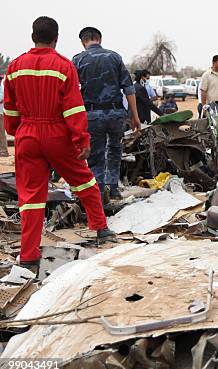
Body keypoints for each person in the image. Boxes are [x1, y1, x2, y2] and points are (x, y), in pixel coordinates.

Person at [3, 16, 116, 274]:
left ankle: (28, 256)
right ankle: (101, 228)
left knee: (31, 197)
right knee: (83, 180)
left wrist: (16, 131)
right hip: (56, 134)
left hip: (27, 134)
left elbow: (8, 108)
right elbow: (74, 108)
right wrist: (81, 139)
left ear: (33, 36)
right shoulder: (63, 65)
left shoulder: (15, 67)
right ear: (56, 38)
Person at [73, 26, 140, 202]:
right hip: (116, 113)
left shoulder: (78, 60)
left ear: (83, 41)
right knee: (115, 149)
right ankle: (114, 188)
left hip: (92, 115)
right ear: (99, 39)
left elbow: (71, 92)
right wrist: (135, 116)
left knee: (96, 154)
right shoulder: (114, 57)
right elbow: (128, 88)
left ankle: (100, 191)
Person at [0, 76, 9, 157]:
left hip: (1, 113)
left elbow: (2, 99)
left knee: (2, 133)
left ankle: (4, 151)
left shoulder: (2, 88)